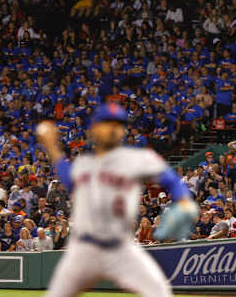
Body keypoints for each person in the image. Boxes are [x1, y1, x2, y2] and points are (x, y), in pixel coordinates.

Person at [36, 103, 198, 297]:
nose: (113, 128)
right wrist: (51, 146)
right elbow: (68, 179)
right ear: (95, 128)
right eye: (107, 123)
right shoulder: (83, 164)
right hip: (83, 249)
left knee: (159, 291)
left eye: (118, 124)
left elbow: (171, 180)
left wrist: (184, 201)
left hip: (122, 248)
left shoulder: (139, 159)